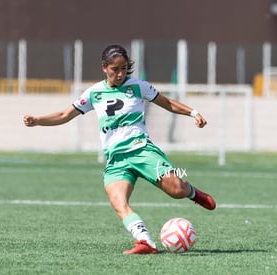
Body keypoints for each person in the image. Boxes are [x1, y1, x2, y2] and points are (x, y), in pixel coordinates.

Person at [23, 44, 216, 254]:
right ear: (104, 68)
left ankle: (193, 193)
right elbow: (64, 115)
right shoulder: (94, 93)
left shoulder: (138, 86)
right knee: (118, 201)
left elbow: (167, 102)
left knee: (177, 190)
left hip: (142, 150)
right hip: (116, 160)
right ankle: (146, 242)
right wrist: (38, 120)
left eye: (124, 68)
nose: (120, 73)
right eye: (115, 69)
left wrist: (193, 112)